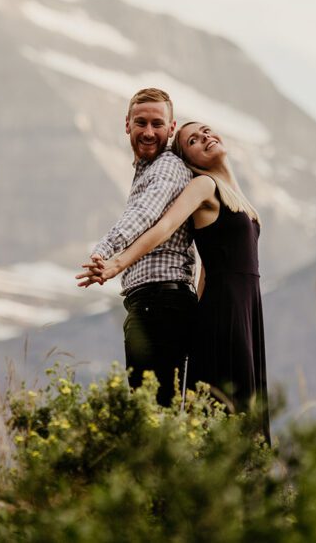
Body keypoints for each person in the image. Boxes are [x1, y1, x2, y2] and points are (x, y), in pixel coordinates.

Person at [82, 121, 270, 443]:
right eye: (194, 141)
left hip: (244, 309)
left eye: (206, 131)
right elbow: (164, 227)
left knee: (246, 404)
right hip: (224, 311)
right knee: (226, 407)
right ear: (191, 159)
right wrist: (116, 263)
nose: (205, 138)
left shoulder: (238, 198)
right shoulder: (204, 187)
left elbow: (205, 271)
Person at [77, 88, 197, 407]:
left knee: (153, 413)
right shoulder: (148, 168)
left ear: (172, 129)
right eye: (140, 122)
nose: (148, 131)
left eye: (157, 124)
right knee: (155, 411)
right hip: (155, 304)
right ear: (126, 124)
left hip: (161, 304)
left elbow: (145, 214)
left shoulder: (168, 167)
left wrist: (104, 250)